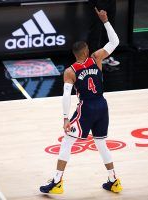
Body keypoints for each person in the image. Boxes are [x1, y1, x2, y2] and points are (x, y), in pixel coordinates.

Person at [39, 8, 122, 194]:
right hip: (102, 105)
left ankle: (57, 182)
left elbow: (66, 95)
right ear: (87, 51)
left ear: (75, 54)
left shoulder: (70, 71)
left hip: (87, 108)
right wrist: (105, 20)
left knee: (67, 141)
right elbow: (115, 41)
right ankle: (113, 180)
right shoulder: (97, 58)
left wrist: (65, 118)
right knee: (101, 143)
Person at [87, 0, 120, 67]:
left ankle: (106, 56)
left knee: (109, 27)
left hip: (111, 2)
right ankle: (93, 59)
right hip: (98, 2)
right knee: (95, 30)